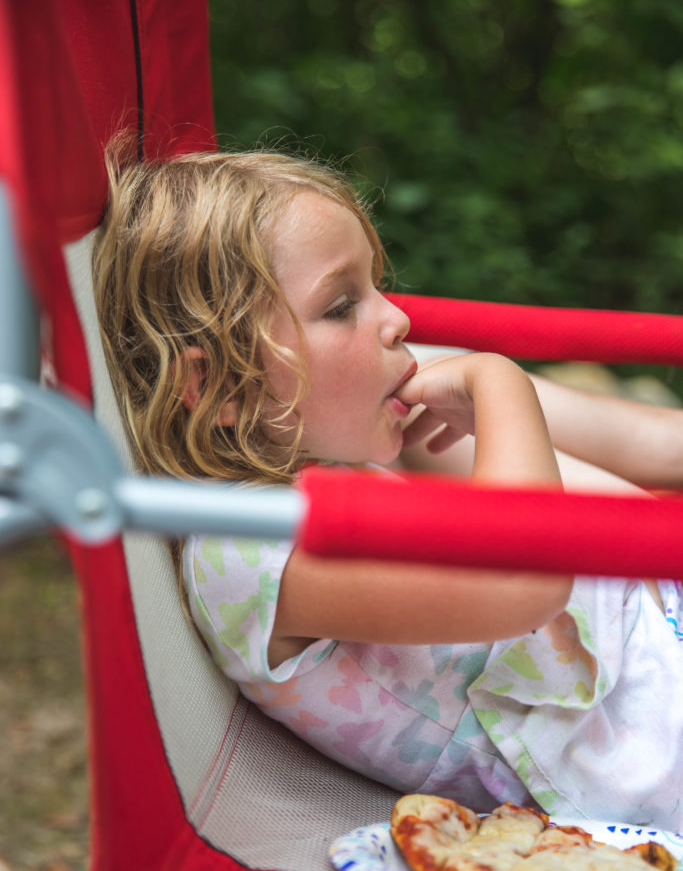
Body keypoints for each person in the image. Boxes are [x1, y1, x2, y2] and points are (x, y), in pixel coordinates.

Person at [93, 147, 683, 832]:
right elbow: (521, 584)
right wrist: (499, 384)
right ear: (223, 387)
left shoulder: (345, 432)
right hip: (643, 742)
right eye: (342, 304)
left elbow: (654, 450)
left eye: (376, 287)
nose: (395, 317)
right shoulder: (247, 550)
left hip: (650, 626)